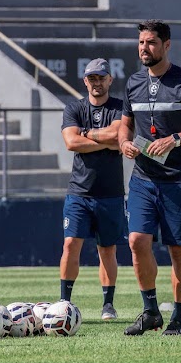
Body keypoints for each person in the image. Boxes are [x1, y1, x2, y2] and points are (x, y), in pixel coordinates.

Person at [118, 20, 181, 336]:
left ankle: (179, 319)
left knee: (178, 251)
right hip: (143, 177)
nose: (145, 48)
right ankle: (150, 311)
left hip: (179, 180)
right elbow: (125, 124)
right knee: (136, 241)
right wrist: (124, 143)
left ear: (167, 45)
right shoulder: (132, 82)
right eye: (141, 42)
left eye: (152, 43)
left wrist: (175, 139)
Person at [59, 58, 127, 321]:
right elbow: (71, 143)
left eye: (101, 77)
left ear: (110, 79)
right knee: (70, 244)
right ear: (85, 81)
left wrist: (87, 135)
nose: (96, 82)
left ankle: (107, 304)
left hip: (110, 191)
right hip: (79, 191)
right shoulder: (74, 107)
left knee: (107, 249)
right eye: (92, 78)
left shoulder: (121, 107)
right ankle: (64, 302)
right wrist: (107, 138)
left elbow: (120, 136)